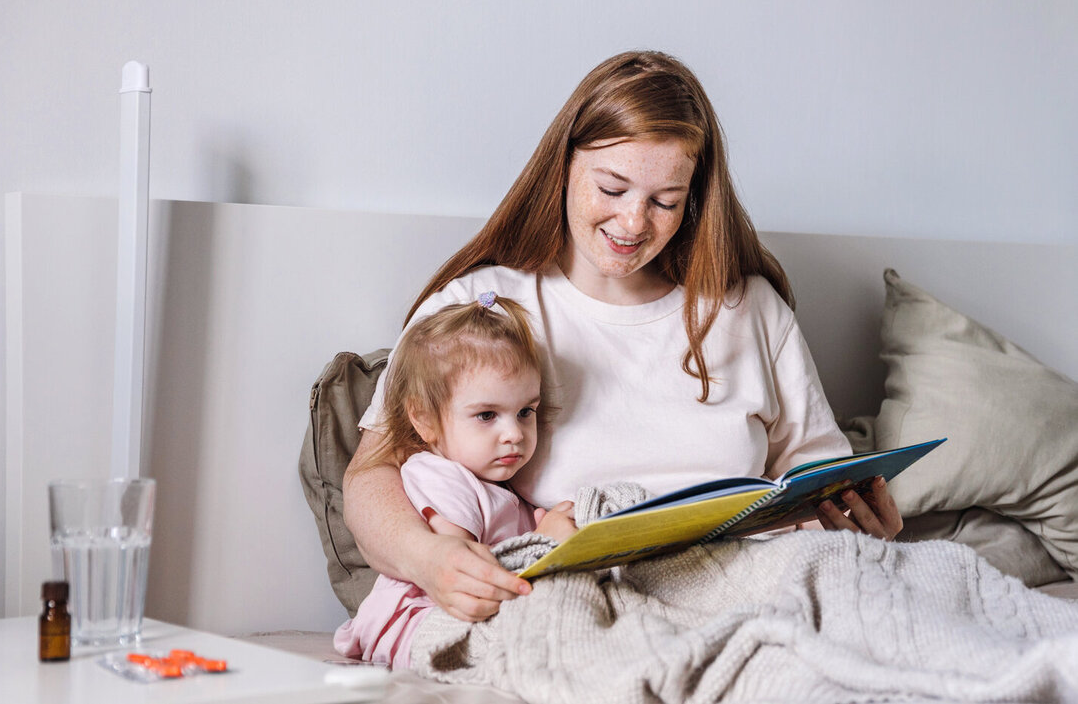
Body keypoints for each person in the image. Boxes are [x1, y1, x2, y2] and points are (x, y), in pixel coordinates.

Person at [344, 50, 903, 623]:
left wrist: (857, 529)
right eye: (612, 189)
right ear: (564, 166)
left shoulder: (750, 308)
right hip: (583, 601)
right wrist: (429, 559)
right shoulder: (476, 312)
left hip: (752, 592)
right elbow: (371, 475)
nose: (634, 223)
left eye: (665, 202)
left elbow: (817, 484)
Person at [334, 294, 577, 668]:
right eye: (486, 415)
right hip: (419, 619)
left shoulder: (496, 485)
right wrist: (545, 545)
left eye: (525, 411)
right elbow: (467, 574)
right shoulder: (441, 478)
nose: (514, 433)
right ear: (424, 420)